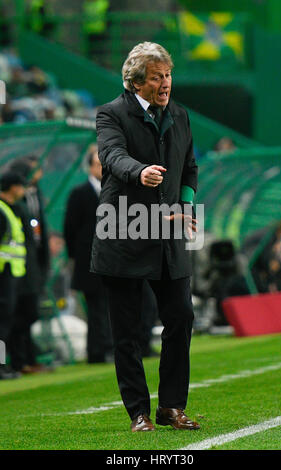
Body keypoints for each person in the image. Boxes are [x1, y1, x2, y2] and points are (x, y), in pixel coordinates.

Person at [91, 42, 200, 432]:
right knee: (128, 330)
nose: (166, 82)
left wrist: (186, 205)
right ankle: (138, 412)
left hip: (168, 227)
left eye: (168, 75)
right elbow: (112, 156)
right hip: (123, 227)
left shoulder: (181, 116)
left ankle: (171, 407)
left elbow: (189, 168)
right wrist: (140, 172)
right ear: (137, 82)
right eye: (157, 77)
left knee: (181, 316)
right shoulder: (110, 114)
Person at [64, 144, 113, 363]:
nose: (102, 169)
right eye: (98, 165)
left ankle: (108, 347)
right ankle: (97, 351)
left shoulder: (114, 191)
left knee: (111, 307)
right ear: (90, 167)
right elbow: (70, 228)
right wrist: (77, 256)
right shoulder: (79, 193)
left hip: (112, 259)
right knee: (95, 308)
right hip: (89, 261)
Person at [8, 157, 50, 374]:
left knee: (21, 318)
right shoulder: (8, 210)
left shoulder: (26, 202)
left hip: (17, 272)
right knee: (7, 323)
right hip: (10, 275)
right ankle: (11, 363)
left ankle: (21, 361)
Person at [0, 172, 26, 379]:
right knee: (2, 322)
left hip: (10, 272)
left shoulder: (7, 210)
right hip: (4, 273)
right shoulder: (2, 211)